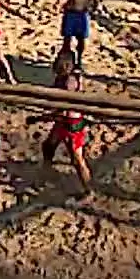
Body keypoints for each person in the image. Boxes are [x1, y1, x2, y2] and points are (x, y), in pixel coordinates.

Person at [28, 65, 92, 198]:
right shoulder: (63, 79)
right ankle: (44, 176)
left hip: (71, 125)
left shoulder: (70, 82)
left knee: (77, 160)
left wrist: (39, 118)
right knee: (48, 147)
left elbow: (62, 109)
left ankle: (88, 190)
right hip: (63, 122)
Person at [57, 0, 98, 68]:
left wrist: (94, 9)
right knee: (67, 39)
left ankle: (79, 61)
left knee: (81, 40)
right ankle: (66, 62)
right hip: (70, 13)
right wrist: (59, 4)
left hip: (82, 14)